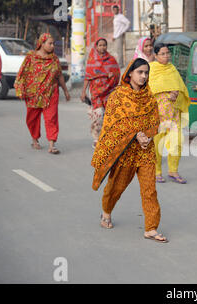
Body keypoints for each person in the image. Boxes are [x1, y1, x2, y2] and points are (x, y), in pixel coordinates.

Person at [91, 58, 168, 243]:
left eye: (146, 73)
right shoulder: (118, 96)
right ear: (130, 73)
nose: (143, 76)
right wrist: (135, 134)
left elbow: (154, 120)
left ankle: (151, 227)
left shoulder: (149, 96)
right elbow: (113, 124)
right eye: (140, 72)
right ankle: (106, 212)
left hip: (145, 150)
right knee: (117, 186)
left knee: (150, 190)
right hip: (124, 151)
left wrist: (147, 135)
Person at [14, 33, 70, 154]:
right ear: (42, 43)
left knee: (52, 118)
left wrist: (65, 91)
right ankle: (35, 140)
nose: (52, 46)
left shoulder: (54, 59)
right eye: (50, 43)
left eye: (53, 44)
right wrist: (20, 88)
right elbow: (22, 73)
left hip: (51, 92)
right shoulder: (30, 57)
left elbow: (59, 75)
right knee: (32, 119)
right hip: (33, 93)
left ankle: (52, 144)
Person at [149, 43, 190, 184]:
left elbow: (181, 89)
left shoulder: (172, 69)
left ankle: (173, 171)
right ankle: (156, 172)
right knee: (156, 145)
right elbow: (147, 91)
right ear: (156, 55)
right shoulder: (151, 70)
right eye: (163, 54)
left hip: (173, 115)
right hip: (158, 116)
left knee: (177, 142)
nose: (167, 56)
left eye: (168, 53)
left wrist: (176, 94)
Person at [81, 38, 120, 148]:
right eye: (100, 45)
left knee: (108, 115)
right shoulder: (91, 60)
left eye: (104, 45)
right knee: (98, 114)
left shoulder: (111, 60)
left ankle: (106, 136)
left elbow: (117, 73)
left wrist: (112, 75)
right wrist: (83, 92)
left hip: (108, 91)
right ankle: (96, 137)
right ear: (96, 46)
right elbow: (88, 77)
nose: (102, 47)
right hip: (95, 92)